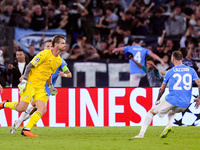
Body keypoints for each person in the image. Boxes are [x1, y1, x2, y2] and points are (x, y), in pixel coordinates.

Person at [0, 35, 66, 137]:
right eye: (62, 43)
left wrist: (51, 86)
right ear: (56, 44)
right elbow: (30, 65)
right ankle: (4, 104)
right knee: (21, 108)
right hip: (31, 84)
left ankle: (26, 129)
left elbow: (48, 74)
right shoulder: (44, 54)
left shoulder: (59, 61)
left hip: (41, 87)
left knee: (42, 109)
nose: (65, 45)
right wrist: (25, 79)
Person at [132, 51, 200, 139]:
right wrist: (199, 97)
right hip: (185, 103)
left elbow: (162, 89)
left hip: (172, 99)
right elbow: (199, 83)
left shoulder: (170, 72)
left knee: (151, 112)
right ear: (182, 59)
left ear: (172, 59)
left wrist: (157, 99)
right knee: (172, 111)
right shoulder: (191, 70)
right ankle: (169, 126)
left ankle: (141, 134)